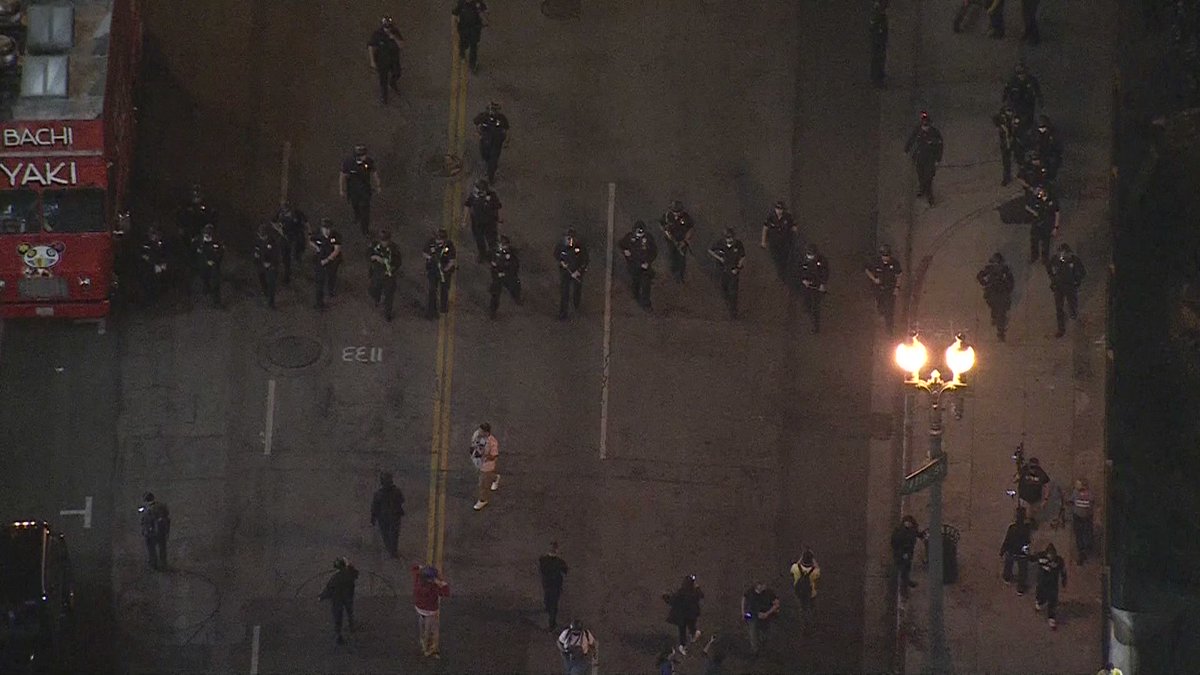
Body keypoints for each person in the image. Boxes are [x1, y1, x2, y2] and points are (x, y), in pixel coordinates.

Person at [339, 144, 381, 236]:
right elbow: (342, 176)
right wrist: (342, 189)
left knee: (365, 211)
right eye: (362, 155)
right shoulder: (348, 162)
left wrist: (378, 185)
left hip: (365, 190)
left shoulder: (368, 162)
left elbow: (374, 173)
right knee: (355, 204)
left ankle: (365, 230)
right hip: (353, 191)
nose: (364, 157)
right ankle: (357, 214)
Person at [904, 111, 944, 205]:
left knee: (928, 178)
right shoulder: (918, 130)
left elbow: (940, 146)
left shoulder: (934, 132)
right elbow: (911, 139)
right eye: (923, 122)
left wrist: (938, 159)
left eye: (926, 122)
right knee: (921, 175)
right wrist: (906, 149)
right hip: (919, 157)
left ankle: (930, 198)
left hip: (930, 159)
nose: (924, 124)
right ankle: (922, 189)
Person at [411, 564, 450, 658]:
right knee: (432, 629)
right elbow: (446, 593)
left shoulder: (418, 581)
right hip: (431, 612)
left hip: (419, 609)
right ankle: (429, 649)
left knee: (422, 624)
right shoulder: (433, 588)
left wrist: (420, 568)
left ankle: (423, 641)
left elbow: (414, 568)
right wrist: (442, 583)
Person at [1047, 244, 1085, 338]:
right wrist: (1053, 279)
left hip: (1070, 286)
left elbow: (1083, 272)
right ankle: (1061, 329)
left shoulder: (1074, 260)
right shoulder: (1055, 260)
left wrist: (1077, 280)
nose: (1061, 256)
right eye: (1060, 253)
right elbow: (1049, 268)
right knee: (1059, 308)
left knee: (1072, 302)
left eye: (1063, 253)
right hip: (1058, 287)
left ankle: (1073, 312)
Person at [618, 220, 658, 310]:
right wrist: (625, 251)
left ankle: (646, 303)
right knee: (636, 282)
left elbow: (654, 251)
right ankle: (636, 294)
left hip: (645, 266)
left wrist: (648, 262)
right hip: (634, 265)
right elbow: (621, 244)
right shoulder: (629, 237)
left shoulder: (649, 238)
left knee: (646, 284)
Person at [318, 557, 359, 645]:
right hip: (348, 597)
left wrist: (322, 597)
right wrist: (350, 566)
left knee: (338, 617)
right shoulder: (350, 574)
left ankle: (339, 635)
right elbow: (356, 574)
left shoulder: (335, 578)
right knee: (349, 612)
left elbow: (329, 589)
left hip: (337, 600)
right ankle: (352, 627)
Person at [708, 228, 746, 319]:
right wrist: (719, 258)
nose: (730, 239)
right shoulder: (720, 243)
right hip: (722, 270)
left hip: (733, 270)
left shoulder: (738, 244)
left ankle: (733, 312)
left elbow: (742, 256)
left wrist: (738, 268)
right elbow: (710, 250)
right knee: (723, 289)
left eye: (731, 237)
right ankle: (729, 304)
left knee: (733, 292)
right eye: (728, 238)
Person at [977, 252, 1015, 341]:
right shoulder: (989, 269)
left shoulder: (1005, 270)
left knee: (1001, 313)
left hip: (1002, 294)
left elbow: (1011, 281)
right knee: (995, 309)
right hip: (993, 293)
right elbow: (980, 276)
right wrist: (985, 283)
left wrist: (1007, 289)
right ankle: (996, 320)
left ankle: (1001, 333)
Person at [462, 179, 502, 262]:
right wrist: (464, 220)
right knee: (479, 240)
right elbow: (467, 205)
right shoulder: (473, 196)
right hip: (477, 223)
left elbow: (497, 207)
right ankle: (482, 254)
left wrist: (499, 219)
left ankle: (493, 256)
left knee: (492, 241)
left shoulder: (492, 196)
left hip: (489, 223)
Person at [865, 245, 902, 333]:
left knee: (890, 309)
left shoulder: (894, 263)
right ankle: (881, 313)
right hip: (879, 289)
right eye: (884, 256)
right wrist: (874, 279)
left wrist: (897, 287)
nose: (885, 258)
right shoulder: (876, 262)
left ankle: (889, 329)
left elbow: (899, 275)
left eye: (887, 256)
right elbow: (866, 270)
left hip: (890, 289)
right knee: (881, 306)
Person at [663, 575, 704, 655]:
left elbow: (672, 601)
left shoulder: (681, 592)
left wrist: (666, 597)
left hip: (682, 616)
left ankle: (683, 646)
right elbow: (701, 595)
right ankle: (693, 634)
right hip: (692, 615)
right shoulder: (695, 591)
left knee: (682, 631)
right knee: (692, 626)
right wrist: (698, 588)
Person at [367, 16, 404, 104]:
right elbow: (371, 46)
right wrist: (372, 61)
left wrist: (394, 37)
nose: (388, 29)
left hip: (393, 58)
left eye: (389, 27)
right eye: (386, 27)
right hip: (382, 60)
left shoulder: (395, 32)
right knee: (383, 80)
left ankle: (392, 83)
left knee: (397, 73)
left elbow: (402, 45)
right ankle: (384, 97)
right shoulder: (377, 34)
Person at [555, 229, 589, 320]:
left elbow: (585, 260)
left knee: (577, 289)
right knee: (564, 293)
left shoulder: (580, 247)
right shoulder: (561, 245)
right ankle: (563, 314)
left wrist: (578, 272)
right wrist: (562, 262)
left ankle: (576, 303)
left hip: (577, 273)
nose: (568, 240)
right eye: (567, 238)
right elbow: (556, 254)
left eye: (570, 238)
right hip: (566, 273)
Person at [368, 230, 402, 321]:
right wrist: (375, 257)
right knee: (374, 289)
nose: (384, 242)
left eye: (386, 240)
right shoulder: (375, 246)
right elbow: (368, 255)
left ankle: (388, 313)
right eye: (382, 240)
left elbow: (398, 262)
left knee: (389, 295)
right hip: (377, 273)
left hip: (389, 275)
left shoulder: (394, 249)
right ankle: (377, 298)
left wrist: (392, 267)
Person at [370, 472, 405, 558]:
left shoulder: (378, 494)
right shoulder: (397, 491)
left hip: (383, 517)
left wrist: (373, 518)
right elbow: (402, 500)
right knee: (394, 534)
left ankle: (390, 549)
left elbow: (375, 507)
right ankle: (393, 550)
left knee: (385, 534)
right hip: (395, 516)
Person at [309, 218, 343, 310]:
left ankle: (330, 289)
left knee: (332, 275)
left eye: (328, 228)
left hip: (332, 260)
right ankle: (319, 303)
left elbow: (337, 250)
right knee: (319, 280)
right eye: (325, 228)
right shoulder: (317, 234)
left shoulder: (335, 236)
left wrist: (327, 260)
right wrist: (316, 247)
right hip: (320, 259)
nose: (327, 231)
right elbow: (311, 240)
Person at [741, 581, 780, 657]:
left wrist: (767, 614)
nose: (764, 586)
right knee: (752, 631)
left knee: (766, 633)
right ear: (758, 586)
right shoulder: (750, 592)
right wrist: (743, 613)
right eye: (762, 585)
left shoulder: (769, 593)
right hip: (752, 615)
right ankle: (754, 650)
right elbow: (744, 598)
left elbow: (776, 604)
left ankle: (762, 644)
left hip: (765, 616)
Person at [423, 229, 456, 319]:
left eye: (440, 240)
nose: (438, 241)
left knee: (444, 290)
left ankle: (443, 307)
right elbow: (424, 253)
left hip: (444, 271)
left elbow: (452, 260)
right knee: (432, 290)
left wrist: (445, 269)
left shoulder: (449, 246)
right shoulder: (431, 242)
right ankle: (431, 311)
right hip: (433, 270)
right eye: (437, 239)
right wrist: (430, 258)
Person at [760, 200, 797, 281]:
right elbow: (765, 228)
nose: (779, 211)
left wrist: (793, 239)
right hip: (774, 243)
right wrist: (763, 241)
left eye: (780, 209)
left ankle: (785, 274)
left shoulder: (787, 217)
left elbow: (794, 228)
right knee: (777, 259)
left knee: (785, 259)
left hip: (785, 243)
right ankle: (781, 275)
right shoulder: (771, 217)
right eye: (777, 209)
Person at [999, 506, 1033, 595]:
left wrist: (1002, 550)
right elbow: (1027, 541)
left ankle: (1007, 577)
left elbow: (1007, 540)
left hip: (1011, 551)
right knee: (1022, 570)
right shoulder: (1027, 529)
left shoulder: (1012, 527)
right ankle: (1020, 588)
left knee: (1008, 564)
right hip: (1021, 553)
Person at [797, 244, 830, 333]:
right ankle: (807, 308)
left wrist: (822, 284)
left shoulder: (821, 261)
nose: (809, 257)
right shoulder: (804, 260)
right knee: (806, 302)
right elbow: (800, 270)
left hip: (816, 286)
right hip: (807, 286)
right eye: (808, 255)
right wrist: (804, 280)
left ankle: (815, 327)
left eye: (811, 255)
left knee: (815, 307)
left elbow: (825, 273)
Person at [659, 201, 695, 283]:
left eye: (678, 212)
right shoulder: (667, 216)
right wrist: (666, 232)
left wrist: (685, 241)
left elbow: (690, 228)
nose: (676, 214)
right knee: (672, 255)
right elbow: (661, 224)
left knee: (682, 258)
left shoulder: (686, 217)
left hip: (682, 240)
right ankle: (673, 270)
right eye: (674, 212)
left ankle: (681, 275)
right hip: (671, 241)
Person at [474, 101, 510, 183]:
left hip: (496, 142)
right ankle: (488, 165)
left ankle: (491, 176)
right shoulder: (483, 116)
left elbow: (507, 130)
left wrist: (506, 141)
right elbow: (476, 123)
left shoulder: (501, 118)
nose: (493, 111)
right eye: (492, 109)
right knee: (485, 156)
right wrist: (478, 134)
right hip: (485, 142)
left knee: (493, 159)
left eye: (495, 109)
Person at [1034, 543, 1067, 629]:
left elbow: (1063, 571)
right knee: (1042, 595)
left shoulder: (1059, 561)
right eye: (1049, 554)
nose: (1051, 556)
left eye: (1052, 555)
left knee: (1052, 600)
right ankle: (1040, 601)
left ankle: (1051, 617)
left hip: (1053, 584)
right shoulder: (1041, 556)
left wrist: (1064, 580)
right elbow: (1033, 558)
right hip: (1042, 582)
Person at [1025, 186, 1059, 266]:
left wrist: (1055, 227)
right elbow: (1027, 207)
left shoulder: (1051, 200)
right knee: (1034, 241)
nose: (1039, 194)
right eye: (1037, 193)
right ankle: (1034, 256)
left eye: (1040, 192)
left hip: (1047, 225)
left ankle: (1045, 258)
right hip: (1036, 224)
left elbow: (1057, 213)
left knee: (1046, 242)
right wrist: (1034, 212)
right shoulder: (1035, 199)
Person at [489, 235, 521, 318]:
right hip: (498, 275)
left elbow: (515, 265)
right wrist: (497, 273)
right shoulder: (494, 253)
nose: (503, 247)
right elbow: (493, 266)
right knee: (495, 293)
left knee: (515, 285)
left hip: (508, 274)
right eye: (501, 245)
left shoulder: (511, 252)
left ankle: (517, 297)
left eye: (505, 245)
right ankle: (493, 311)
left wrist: (509, 273)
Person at [191, 223, 223, 307]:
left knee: (215, 282)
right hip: (203, 265)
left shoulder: (217, 241)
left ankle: (217, 301)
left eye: (209, 235)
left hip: (214, 264)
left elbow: (220, 252)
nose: (207, 237)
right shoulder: (198, 241)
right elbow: (193, 251)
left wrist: (216, 261)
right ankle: (206, 287)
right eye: (206, 235)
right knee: (205, 277)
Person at [539, 541, 569, 631]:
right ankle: (552, 624)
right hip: (555, 586)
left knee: (547, 599)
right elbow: (565, 571)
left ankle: (547, 609)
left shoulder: (542, 559)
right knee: (553, 604)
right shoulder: (560, 562)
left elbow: (542, 570)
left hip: (547, 585)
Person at [891, 515, 926, 592]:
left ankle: (906, 582)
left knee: (907, 569)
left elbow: (917, 534)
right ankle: (903, 589)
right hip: (901, 554)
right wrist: (902, 553)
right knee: (903, 570)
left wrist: (922, 535)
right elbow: (895, 544)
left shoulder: (912, 530)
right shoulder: (900, 533)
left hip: (908, 553)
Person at [470, 422, 500, 511]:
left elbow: (494, 456)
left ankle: (483, 500)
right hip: (478, 461)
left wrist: (485, 455)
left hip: (487, 466)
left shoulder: (492, 442)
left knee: (482, 484)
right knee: (485, 477)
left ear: (486, 433)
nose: (479, 432)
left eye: (481, 431)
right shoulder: (477, 434)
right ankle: (494, 478)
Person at [452, 0, 488, 72]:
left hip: (474, 29)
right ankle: (462, 53)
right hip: (463, 28)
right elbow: (454, 13)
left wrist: (484, 18)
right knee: (464, 43)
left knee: (473, 46)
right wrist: (454, 24)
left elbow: (485, 10)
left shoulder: (478, 3)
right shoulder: (461, 3)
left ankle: (473, 64)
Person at [789, 549, 821, 633]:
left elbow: (793, 569)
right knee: (812, 608)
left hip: (799, 592)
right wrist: (814, 559)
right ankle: (812, 624)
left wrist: (801, 557)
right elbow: (818, 570)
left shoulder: (795, 568)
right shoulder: (814, 571)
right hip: (811, 593)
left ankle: (804, 624)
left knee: (802, 608)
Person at [1003, 62, 1043, 127]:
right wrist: (1005, 100)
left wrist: (1040, 100)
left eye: (1023, 73)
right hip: (1015, 104)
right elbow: (1006, 91)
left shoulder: (1032, 80)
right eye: (1019, 73)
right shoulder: (1012, 81)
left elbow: (1037, 91)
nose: (1021, 76)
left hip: (1029, 104)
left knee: (1030, 120)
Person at [139, 492, 171, 571]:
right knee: (162, 548)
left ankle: (153, 565)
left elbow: (145, 521)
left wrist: (144, 531)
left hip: (151, 532)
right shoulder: (161, 506)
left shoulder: (147, 509)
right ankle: (163, 565)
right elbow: (167, 515)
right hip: (161, 531)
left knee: (151, 549)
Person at [138, 227, 169, 305]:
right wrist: (154, 264)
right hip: (148, 269)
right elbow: (145, 257)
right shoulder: (146, 245)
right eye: (153, 235)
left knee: (159, 283)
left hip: (157, 267)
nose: (155, 237)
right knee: (150, 284)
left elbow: (162, 255)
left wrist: (162, 263)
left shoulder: (158, 244)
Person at [274, 201, 308, 268]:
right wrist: (279, 230)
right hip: (285, 234)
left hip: (296, 233)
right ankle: (286, 262)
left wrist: (308, 231)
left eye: (287, 211)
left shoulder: (297, 213)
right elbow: (273, 222)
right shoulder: (281, 213)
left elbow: (305, 221)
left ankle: (297, 259)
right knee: (284, 248)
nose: (287, 213)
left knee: (298, 245)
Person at [1016, 456, 1051, 523]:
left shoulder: (1041, 473)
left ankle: (1030, 522)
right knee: (1024, 515)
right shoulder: (1024, 470)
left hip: (1035, 499)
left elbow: (1046, 485)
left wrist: (1045, 499)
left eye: (1035, 467)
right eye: (1032, 467)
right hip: (1024, 498)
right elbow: (1015, 479)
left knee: (1031, 515)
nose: (1033, 469)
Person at [992, 105, 1020, 186]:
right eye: (1008, 111)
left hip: (1015, 141)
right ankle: (1007, 177)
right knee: (1006, 162)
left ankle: (1021, 174)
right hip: (1005, 142)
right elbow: (995, 120)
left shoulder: (1015, 117)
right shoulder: (1001, 118)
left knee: (1019, 158)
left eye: (1010, 111)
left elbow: (1018, 127)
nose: (1009, 113)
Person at [1068, 478, 1095, 564]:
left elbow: (1091, 503)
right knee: (1079, 534)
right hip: (1078, 517)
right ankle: (1082, 552)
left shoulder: (1089, 494)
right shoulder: (1075, 493)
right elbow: (1071, 501)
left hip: (1086, 518)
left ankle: (1087, 548)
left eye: (1078, 484)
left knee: (1086, 533)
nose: (1076, 486)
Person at [1034, 115, 1063, 180]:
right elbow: (1036, 144)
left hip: (1051, 156)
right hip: (1042, 156)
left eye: (1043, 127)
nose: (1042, 129)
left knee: (1052, 168)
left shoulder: (1053, 134)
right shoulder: (1037, 134)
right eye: (1040, 127)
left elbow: (1057, 147)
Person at [869, 0, 888, 86]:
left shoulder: (878, 10)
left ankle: (877, 75)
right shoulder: (877, 9)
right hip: (878, 28)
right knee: (878, 52)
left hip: (879, 26)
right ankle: (877, 77)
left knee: (879, 52)